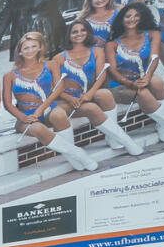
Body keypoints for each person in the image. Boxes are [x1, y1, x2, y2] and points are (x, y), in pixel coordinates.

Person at [1, 28, 97, 173]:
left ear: (40, 47)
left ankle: (74, 160)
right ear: (19, 51)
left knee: (59, 114)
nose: (30, 50)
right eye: (26, 48)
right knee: (38, 129)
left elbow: (58, 89)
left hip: (48, 109)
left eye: (34, 46)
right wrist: (23, 117)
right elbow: (7, 104)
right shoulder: (9, 75)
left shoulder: (50, 65)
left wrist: (41, 109)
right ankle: (79, 154)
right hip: (26, 116)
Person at [56, 15, 145, 156]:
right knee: (91, 107)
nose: (79, 34)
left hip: (87, 93)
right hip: (67, 99)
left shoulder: (96, 51)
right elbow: (55, 87)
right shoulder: (59, 58)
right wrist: (70, 98)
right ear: (69, 35)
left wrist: (90, 94)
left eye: (83, 30)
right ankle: (126, 141)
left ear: (88, 32)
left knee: (104, 94)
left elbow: (101, 75)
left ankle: (113, 139)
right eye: (75, 32)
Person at [106, 0, 164, 142]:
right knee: (142, 93)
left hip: (141, 77)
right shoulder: (112, 43)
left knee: (157, 82)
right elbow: (112, 71)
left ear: (142, 17)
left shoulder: (151, 33)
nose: (132, 19)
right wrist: (130, 83)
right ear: (121, 19)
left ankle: (163, 126)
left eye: (136, 15)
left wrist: (147, 77)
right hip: (119, 85)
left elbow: (154, 58)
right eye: (128, 16)